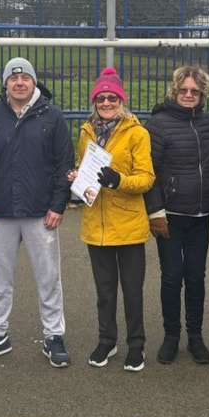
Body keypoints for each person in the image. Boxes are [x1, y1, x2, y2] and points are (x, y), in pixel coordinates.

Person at [0, 57, 75, 367]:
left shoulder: (52, 117)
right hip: (0, 212)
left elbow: (63, 164)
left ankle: (54, 336)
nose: (19, 82)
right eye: (13, 78)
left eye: (25, 77)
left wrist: (58, 205)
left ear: (33, 82)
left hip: (41, 213)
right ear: (6, 83)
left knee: (49, 278)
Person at [73, 67, 155, 371]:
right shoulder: (86, 132)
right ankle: (106, 341)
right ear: (95, 102)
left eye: (112, 98)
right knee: (104, 291)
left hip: (129, 226)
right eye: (101, 98)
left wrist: (118, 180)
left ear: (122, 100)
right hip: (97, 225)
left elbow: (146, 178)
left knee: (132, 291)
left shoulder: (137, 134)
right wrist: (77, 177)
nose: (106, 103)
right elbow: (83, 166)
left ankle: (137, 345)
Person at [144, 64, 209, 365]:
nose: (189, 95)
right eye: (184, 90)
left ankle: (195, 336)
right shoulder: (158, 124)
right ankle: (171, 335)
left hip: (200, 216)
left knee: (196, 278)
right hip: (170, 216)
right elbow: (150, 172)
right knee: (172, 277)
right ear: (174, 91)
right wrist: (155, 211)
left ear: (202, 95)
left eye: (195, 91)